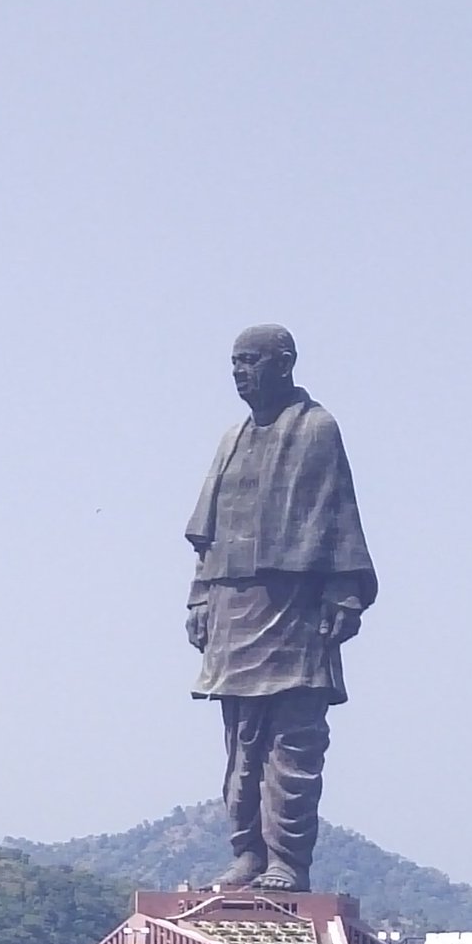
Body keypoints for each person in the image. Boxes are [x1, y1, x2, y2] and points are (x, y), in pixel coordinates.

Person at [185, 325, 378, 892]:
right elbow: (207, 534)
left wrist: (343, 594)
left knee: (294, 741)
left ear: (285, 363)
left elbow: (337, 513)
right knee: (240, 742)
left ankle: (287, 861)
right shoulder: (231, 438)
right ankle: (246, 852)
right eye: (234, 361)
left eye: (251, 361)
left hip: (294, 607)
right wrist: (199, 596)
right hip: (231, 603)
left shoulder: (317, 429)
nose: (239, 371)